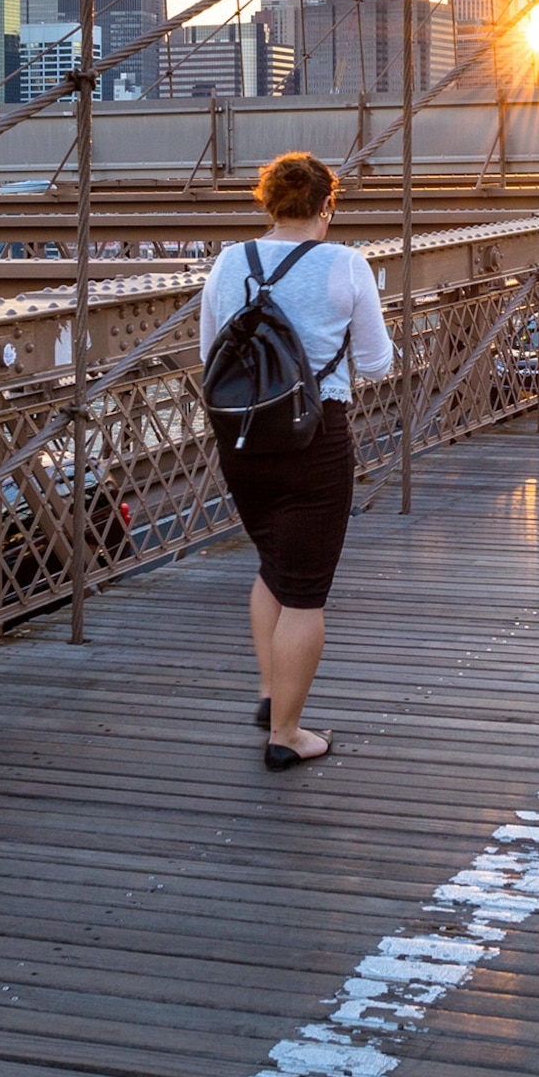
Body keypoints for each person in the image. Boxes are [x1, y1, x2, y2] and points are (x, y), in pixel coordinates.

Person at [199, 150, 395, 771]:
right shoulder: (346, 265)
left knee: (273, 566)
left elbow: (210, 354)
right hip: (315, 440)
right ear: (326, 206)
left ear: (268, 203)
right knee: (306, 595)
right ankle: (286, 734)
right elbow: (377, 363)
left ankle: (268, 690)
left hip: (242, 441)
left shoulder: (229, 263)